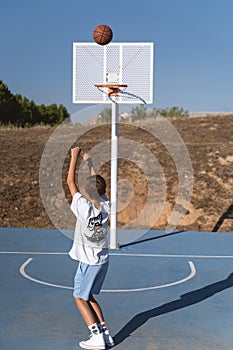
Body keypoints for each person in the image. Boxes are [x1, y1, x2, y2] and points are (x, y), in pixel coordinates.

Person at [67, 146, 114, 350]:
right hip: (102, 261)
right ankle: (105, 334)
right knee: (90, 296)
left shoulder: (84, 208)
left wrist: (75, 157)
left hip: (88, 262)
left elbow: (70, 182)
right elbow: (97, 185)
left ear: (86, 192)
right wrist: (89, 163)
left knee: (78, 297)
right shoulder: (106, 205)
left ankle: (95, 337)